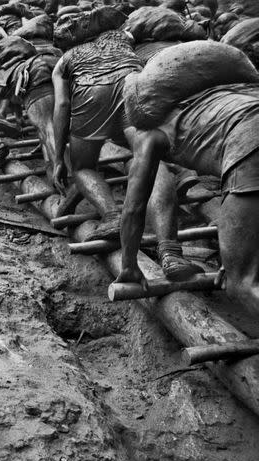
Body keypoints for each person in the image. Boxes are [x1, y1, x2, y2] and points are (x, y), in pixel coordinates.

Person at [51, 25, 200, 279]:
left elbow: (62, 104)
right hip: (132, 86)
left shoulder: (66, 59)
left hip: (90, 94)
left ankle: (111, 214)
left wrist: (57, 158)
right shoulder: (122, 42)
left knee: (83, 167)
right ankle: (170, 252)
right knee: (150, 159)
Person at [116, 83, 259, 312]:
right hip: (247, 146)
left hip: (248, 150)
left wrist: (128, 264)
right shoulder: (215, 98)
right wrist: (239, 254)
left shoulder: (148, 132)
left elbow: (134, 206)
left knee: (241, 285)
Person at [0, 36, 61, 171]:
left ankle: (68, 176)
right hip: (56, 64)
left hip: (35, 75)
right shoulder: (45, 56)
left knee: (48, 126)